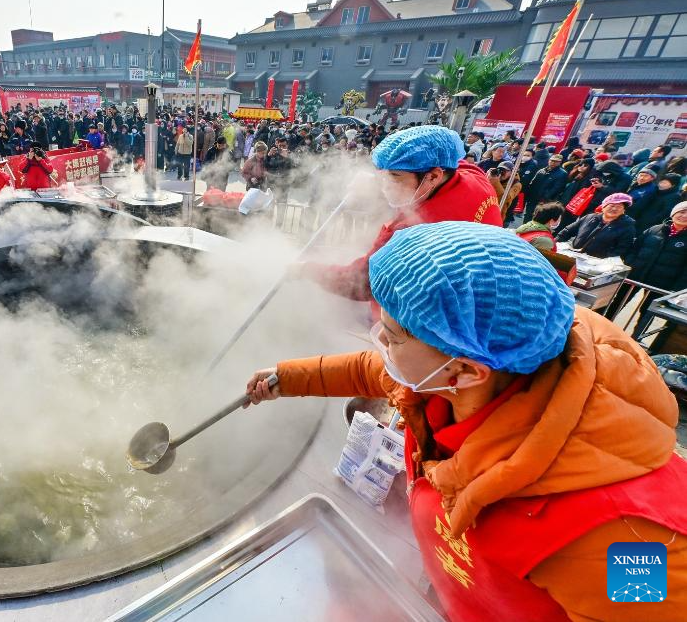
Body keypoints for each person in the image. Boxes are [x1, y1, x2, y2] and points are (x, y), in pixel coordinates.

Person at [245, 221, 687, 622]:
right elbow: (372, 369)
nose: (378, 339)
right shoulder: (467, 373)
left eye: (393, 335)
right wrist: (286, 378)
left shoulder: (632, 542)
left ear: (469, 369)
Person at [300, 125, 502, 301]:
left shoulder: (409, 231)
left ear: (433, 176)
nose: (385, 184)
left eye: (395, 176)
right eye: (382, 174)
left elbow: (361, 283)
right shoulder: (475, 177)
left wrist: (307, 270)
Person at [608, 201, 687, 334]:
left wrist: (676, 288)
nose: (684, 216)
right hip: (635, 276)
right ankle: (602, 326)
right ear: (674, 213)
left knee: (647, 311)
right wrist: (630, 265)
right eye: (681, 212)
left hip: (661, 284)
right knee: (616, 303)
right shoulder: (655, 229)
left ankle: (635, 339)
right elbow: (634, 249)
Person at [556, 192, 635, 260]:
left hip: (596, 265)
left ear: (624, 211)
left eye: (619, 207)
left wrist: (602, 263)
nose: (614, 209)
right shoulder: (589, 217)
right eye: (611, 205)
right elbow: (567, 231)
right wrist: (555, 244)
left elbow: (621, 250)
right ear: (603, 207)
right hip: (572, 256)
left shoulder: (627, 227)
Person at [522, 153, 568, 222]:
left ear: (559, 162)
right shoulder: (542, 170)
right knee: (527, 216)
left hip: (544, 201)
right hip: (532, 198)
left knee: (538, 218)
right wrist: (528, 194)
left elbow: (556, 189)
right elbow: (532, 183)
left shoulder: (562, 173)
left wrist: (545, 198)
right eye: (551, 160)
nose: (552, 162)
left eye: (555, 161)